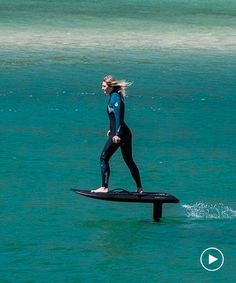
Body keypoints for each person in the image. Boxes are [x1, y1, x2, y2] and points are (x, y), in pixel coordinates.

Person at [91, 75, 143, 194]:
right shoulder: (113, 96)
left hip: (120, 134)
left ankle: (104, 187)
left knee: (103, 158)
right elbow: (113, 118)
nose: (102, 88)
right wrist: (111, 129)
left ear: (110, 86)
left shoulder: (115, 98)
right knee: (129, 161)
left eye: (104, 86)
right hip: (123, 132)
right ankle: (139, 188)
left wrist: (117, 133)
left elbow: (119, 116)